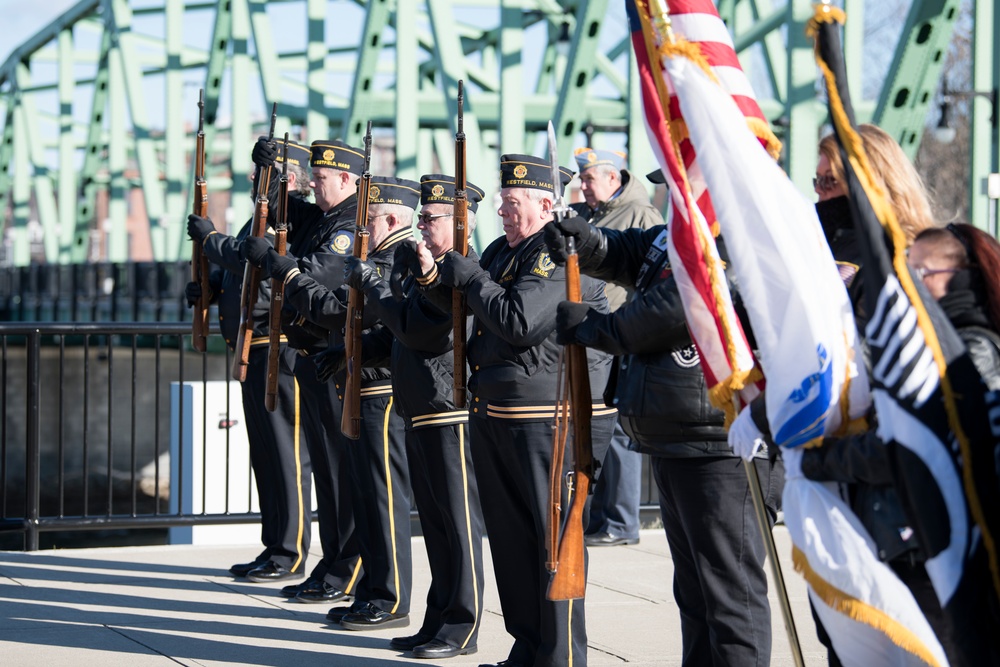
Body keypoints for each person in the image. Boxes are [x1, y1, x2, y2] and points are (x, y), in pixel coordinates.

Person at [544, 211, 782, 666]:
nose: (676, 189)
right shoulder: (677, 233)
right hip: (676, 437)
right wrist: (590, 242)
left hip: (723, 443)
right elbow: (634, 253)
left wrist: (597, 328)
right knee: (694, 594)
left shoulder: (737, 232)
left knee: (731, 598)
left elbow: (680, 303)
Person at [429, 154, 618, 667]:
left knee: (553, 544)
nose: (505, 213)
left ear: (544, 203)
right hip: (497, 410)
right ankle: (528, 648)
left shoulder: (554, 253)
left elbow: (518, 321)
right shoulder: (497, 250)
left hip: (546, 416)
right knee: (512, 544)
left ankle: (560, 658)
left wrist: (471, 281)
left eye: (514, 204)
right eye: (503, 203)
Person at [243, 176, 416, 631]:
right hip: (353, 378)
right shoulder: (375, 255)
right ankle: (370, 590)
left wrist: (288, 274)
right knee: (356, 487)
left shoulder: (396, 260)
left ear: (393, 218)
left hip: (380, 387)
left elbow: (337, 309)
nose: (363, 227)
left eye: (371, 218)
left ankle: (387, 595)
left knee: (381, 498)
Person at [336, 174, 487, 659]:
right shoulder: (431, 267)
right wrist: (351, 352)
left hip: (448, 412)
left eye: (430, 218)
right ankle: (438, 618)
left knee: (459, 526)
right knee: (438, 527)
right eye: (420, 217)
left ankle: (462, 626)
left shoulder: (461, 274)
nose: (421, 225)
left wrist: (376, 290)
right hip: (419, 407)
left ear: (459, 222)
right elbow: (401, 336)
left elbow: (423, 333)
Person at [185, 139, 312, 584]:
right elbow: (241, 271)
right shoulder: (261, 216)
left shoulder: (296, 216)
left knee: (286, 453)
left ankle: (290, 551)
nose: (254, 182)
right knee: (264, 453)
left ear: (288, 179)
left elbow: (254, 257)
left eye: (264, 174)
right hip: (251, 346)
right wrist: (211, 287)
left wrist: (211, 240)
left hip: (279, 347)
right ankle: (273, 545)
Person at [247, 137, 365, 605]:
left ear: (346, 178)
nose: (313, 185)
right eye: (311, 177)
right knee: (327, 471)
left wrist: (280, 266)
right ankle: (332, 562)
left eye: (321, 178)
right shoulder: (325, 216)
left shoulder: (347, 224)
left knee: (340, 470)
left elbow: (319, 275)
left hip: (334, 354)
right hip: (315, 357)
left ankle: (348, 567)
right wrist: (272, 173)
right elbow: (283, 213)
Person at [570, 147, 661, 547]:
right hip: (599, 334)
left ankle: (622, 522)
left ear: (612, 178)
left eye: (589, 179)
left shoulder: (641, 215)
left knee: (620, 429)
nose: (583, 187)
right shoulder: (594, 216)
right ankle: (603, 519)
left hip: (622, 333)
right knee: (599, 427)